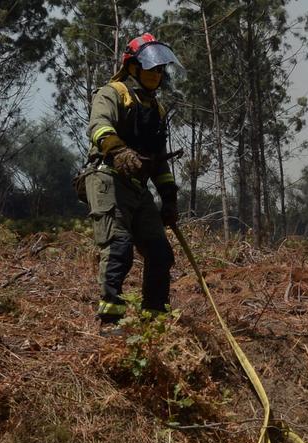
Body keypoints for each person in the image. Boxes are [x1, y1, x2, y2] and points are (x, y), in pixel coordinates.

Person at [81, 33, 181, 330]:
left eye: (161, 69)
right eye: (151, 67)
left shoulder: (157, 110)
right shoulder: (113, 92)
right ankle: (110, 320)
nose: (157, 74)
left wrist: (169, 197)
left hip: (138, 187)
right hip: (108, 177)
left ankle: (154, 320)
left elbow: (160, 162)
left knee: (161, 253)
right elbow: (98, 127)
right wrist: (120, 152)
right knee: (119, 245)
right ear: (133, 66)